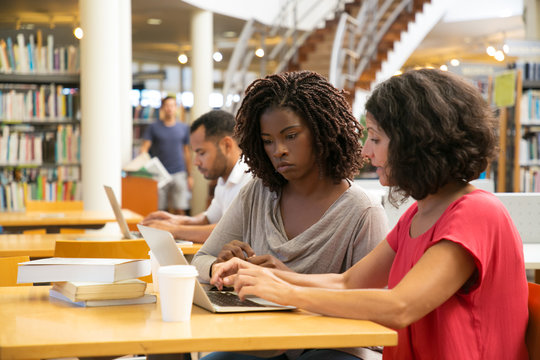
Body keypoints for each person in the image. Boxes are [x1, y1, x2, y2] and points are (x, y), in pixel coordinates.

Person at [211, 69, 529, 360]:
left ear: (415, 142)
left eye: (375, 138)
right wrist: (266, 276)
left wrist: (289, 292)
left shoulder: (476, 212)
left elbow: (400, 306)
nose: (365, 151)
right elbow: (349, 282)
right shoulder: (420, 214)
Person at [193, 71, 389, 360]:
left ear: (322, 131)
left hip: (334, 347)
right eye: (268, 141)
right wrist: (220, 269)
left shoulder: (363, 212)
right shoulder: (256, 194)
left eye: (291, 136)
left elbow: (370, 309)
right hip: (265, 342)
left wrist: (287, 282)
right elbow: (200, 260)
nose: (279, 151)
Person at [141, 110, 252, 243]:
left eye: (201, 153)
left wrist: (174, 230)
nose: (196, 162)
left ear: (227, 145)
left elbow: (229, 232)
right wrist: (177, 220)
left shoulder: (250, 178)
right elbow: (209, 219)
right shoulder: (224, 180)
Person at [140, 96, 192, 215]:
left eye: (172, 105)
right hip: (159, 174)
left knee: (180, 208)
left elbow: (186, 152)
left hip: (179, 172)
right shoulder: (153, 127)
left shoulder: (183, 128)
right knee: (160, 209)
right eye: (167, 105)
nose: (170, 108)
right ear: (162, 108)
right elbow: (144, 150)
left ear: (176, 108)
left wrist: (190, 175)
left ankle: (181, 233)